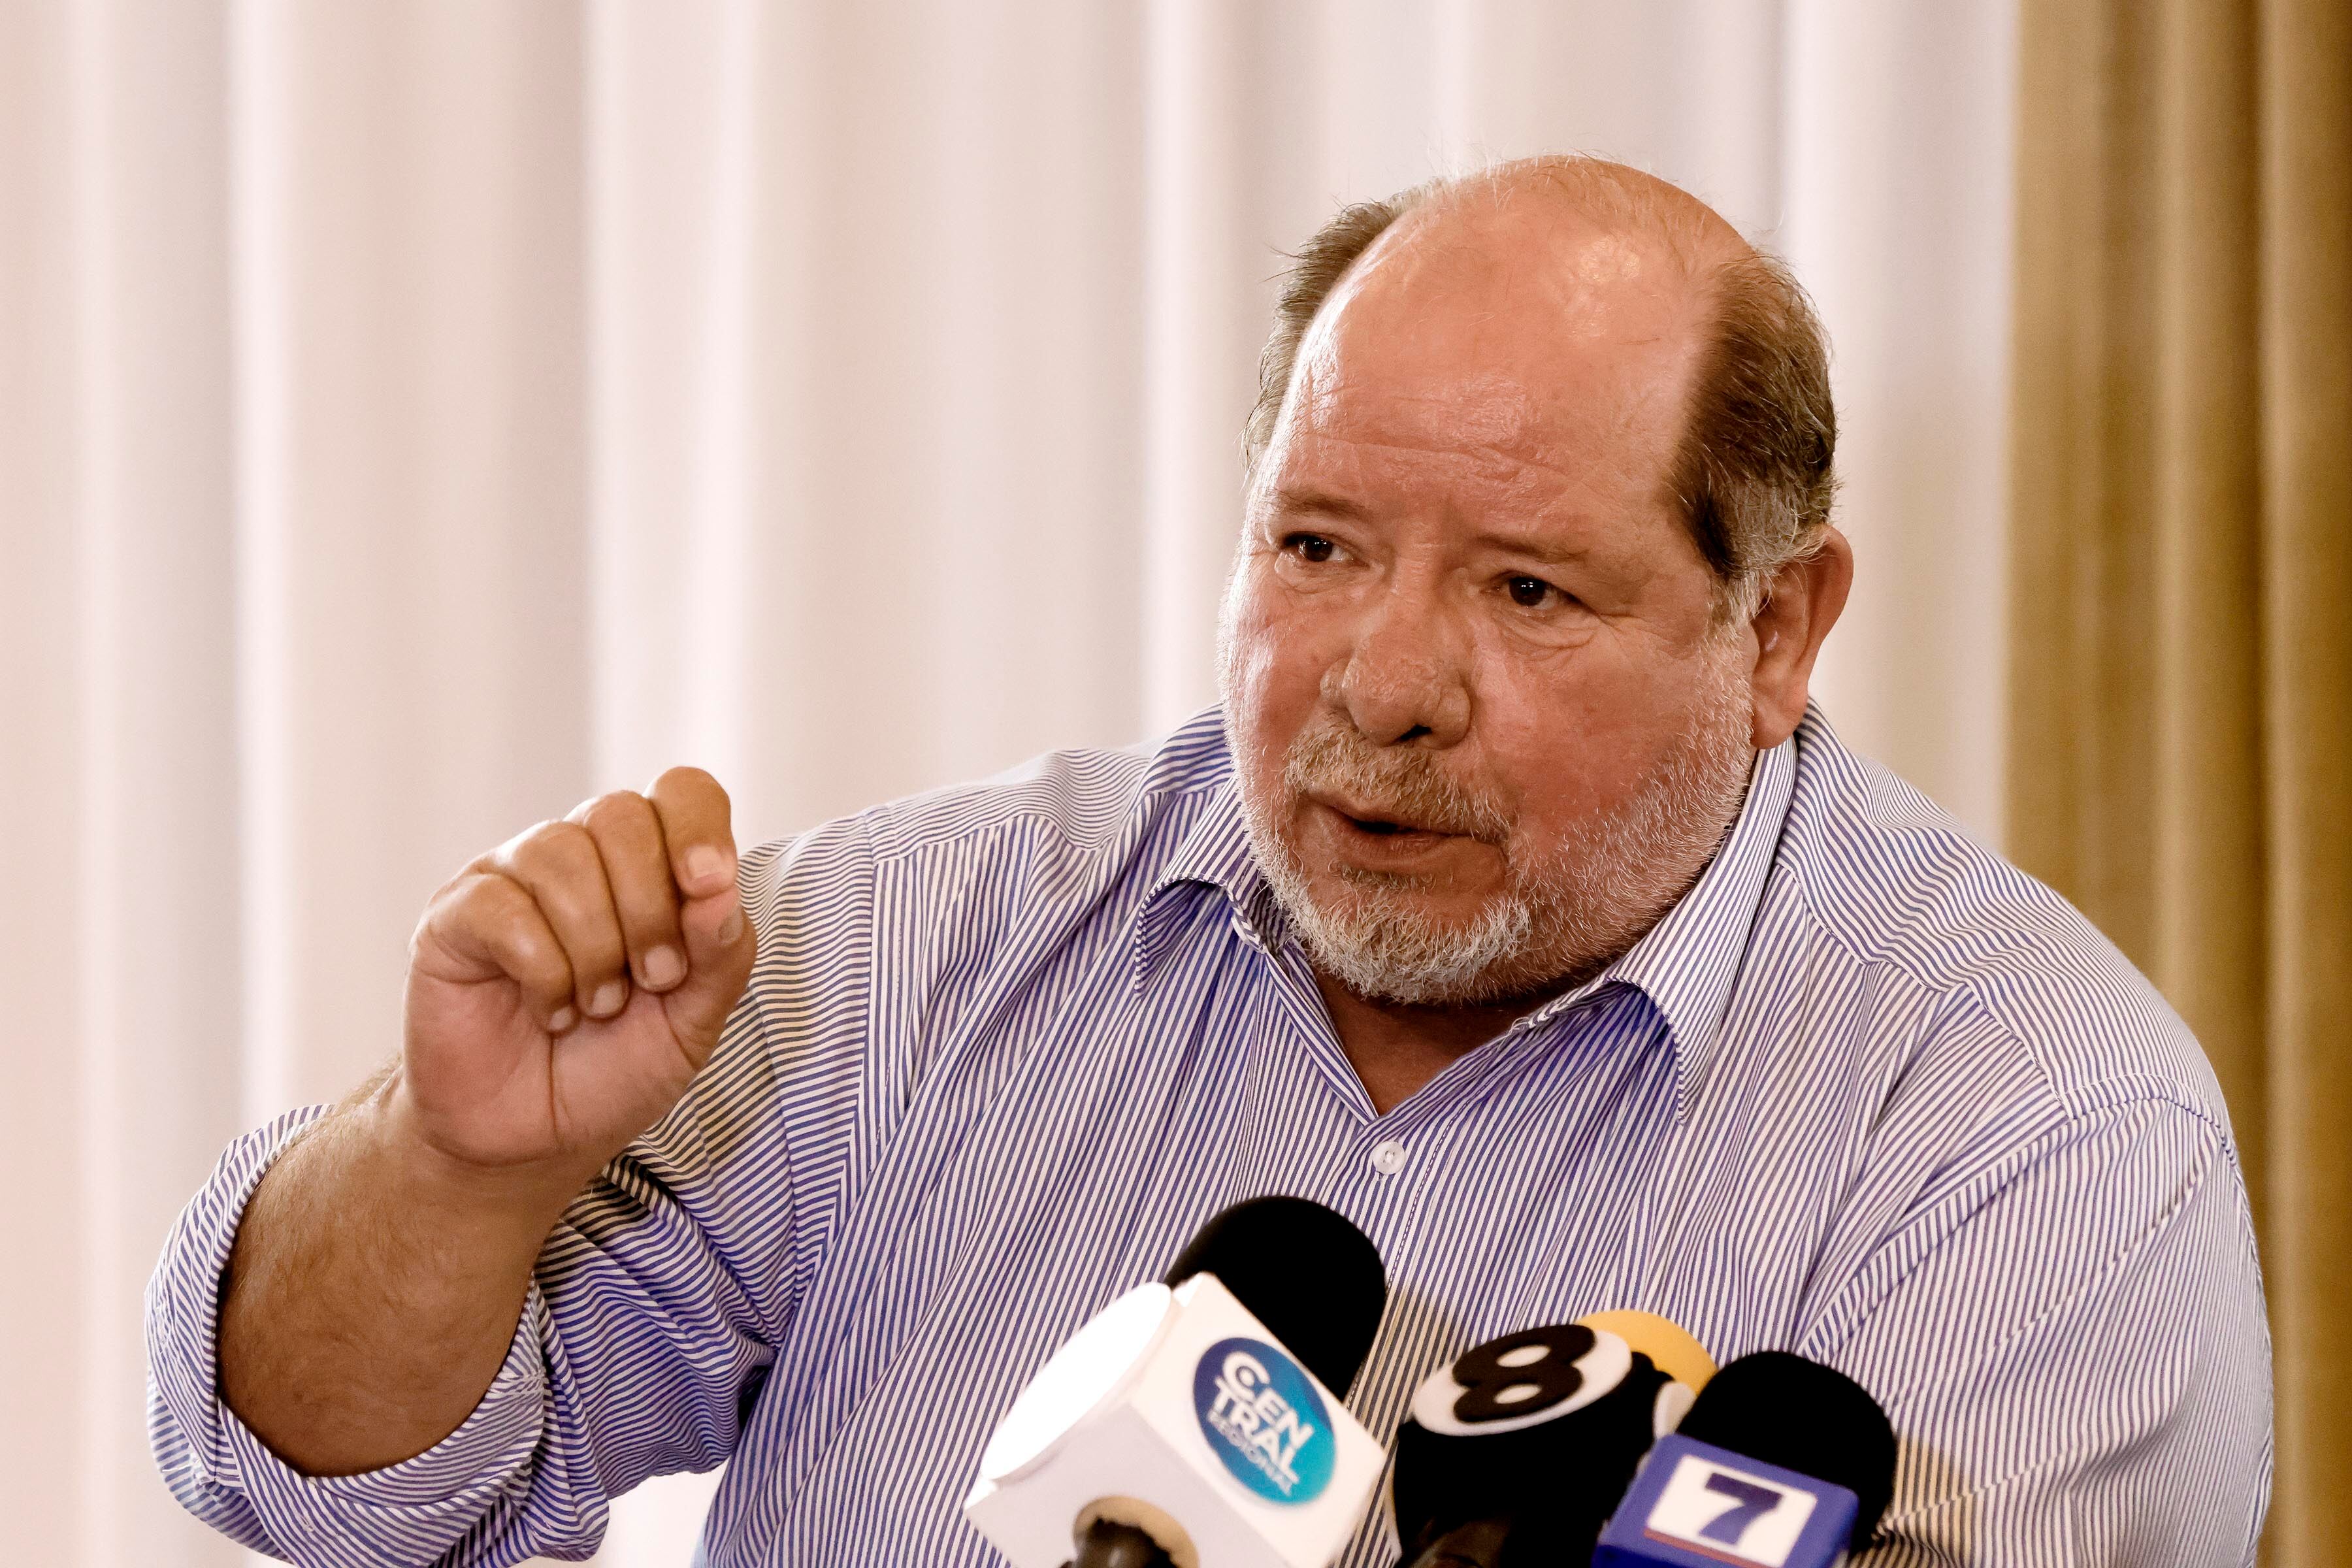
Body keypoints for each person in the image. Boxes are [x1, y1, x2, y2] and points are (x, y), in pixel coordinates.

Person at [148, 157, 2271, 1567]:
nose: (1384, 681)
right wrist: (453, 1172)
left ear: (1777, 631)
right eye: (1318, 547)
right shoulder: (909, 944)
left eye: (1529, 592)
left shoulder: (2038, 1128)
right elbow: (318, 1491)